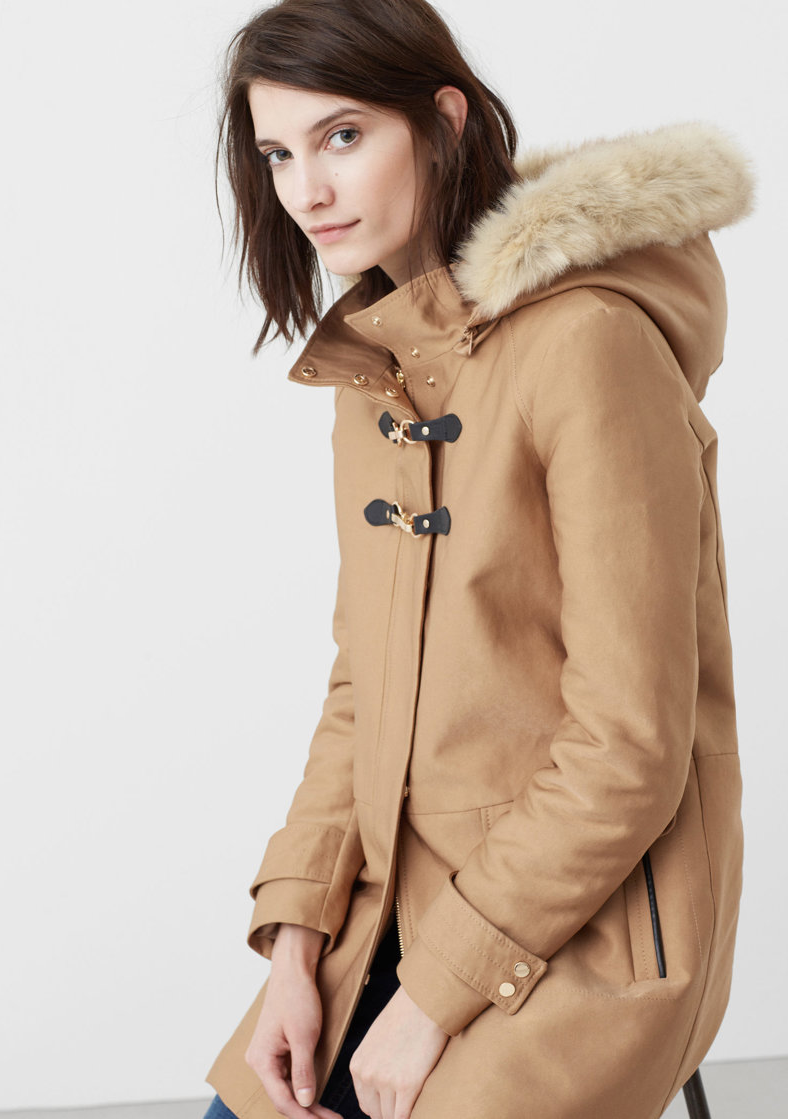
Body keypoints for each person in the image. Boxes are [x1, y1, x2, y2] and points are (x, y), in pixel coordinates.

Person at [203, 2, 757, 1117]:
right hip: (393, 905)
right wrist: (297, 935)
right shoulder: (374, 377)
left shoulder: (588, 344)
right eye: (277, 154)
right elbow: (361, 687)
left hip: (593, 928)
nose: (306, 190)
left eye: (342, 136)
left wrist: (435, 993)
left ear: (442, 121)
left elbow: (630, 746)